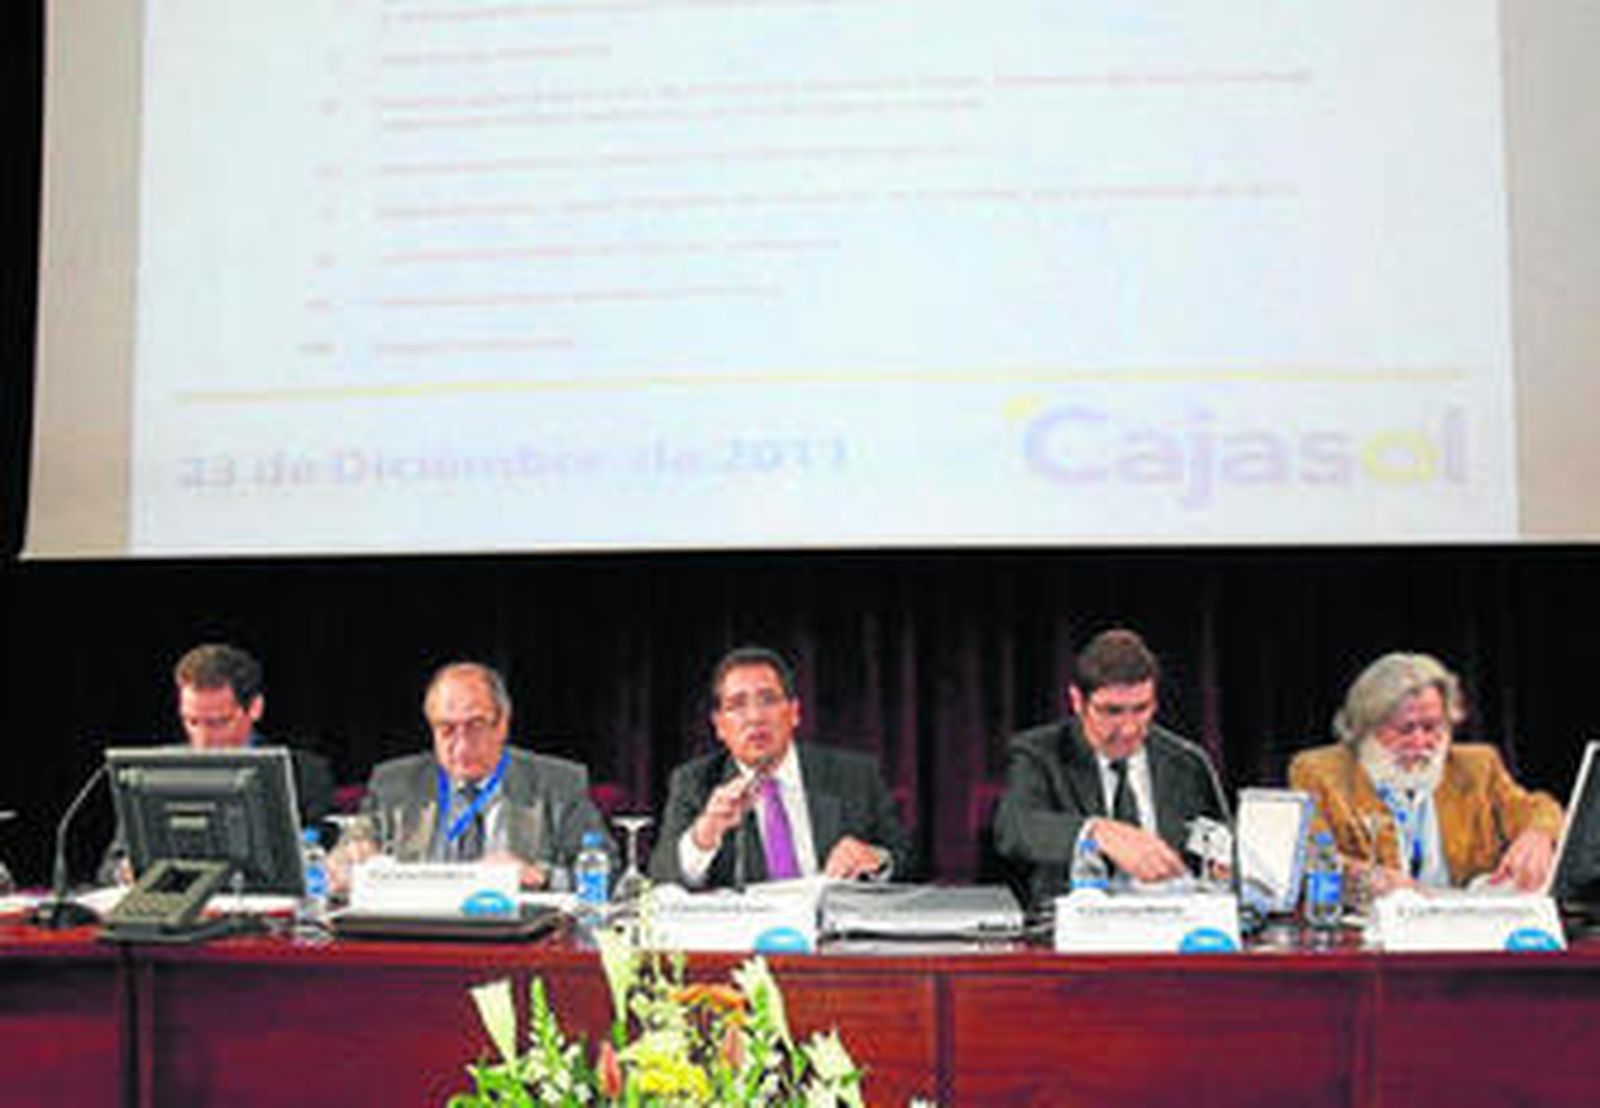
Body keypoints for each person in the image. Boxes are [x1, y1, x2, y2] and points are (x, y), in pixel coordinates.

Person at [1288, 651, 1563, 893]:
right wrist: (1368, 878)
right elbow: (1309, 854)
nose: (1420, 743)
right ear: (1366, 727)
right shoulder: (1319, 771)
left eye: (1432, 727)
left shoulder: (1478, 765)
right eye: (1405, 729)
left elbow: (1535, 807)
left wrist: (1539, 834)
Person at [993, 628, 1227, 907]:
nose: (1129, 729)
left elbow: (1221, 840)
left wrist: (1223, 863)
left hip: (1174, 928)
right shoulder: (1039, 753)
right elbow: (1014, 828)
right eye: (1112, 711)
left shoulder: (1187, 761)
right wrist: (1097, 832)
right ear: (1078, 701)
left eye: (1141, 709)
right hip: (1078, 933)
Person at [648, 645, 911, 889]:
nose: (755, 717)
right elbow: (662, 880)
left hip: (835, 932)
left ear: (794, 712)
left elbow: (908, 861)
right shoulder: (695, 783)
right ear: (719, 726)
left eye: (768, 700)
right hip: (745, 936)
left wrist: (876, 858)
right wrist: (704, 835)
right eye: (737, 705)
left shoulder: (854, 775)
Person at [357, 660, 613, 889]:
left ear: (502, 724)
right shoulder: (393, 786)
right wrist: (348, 864)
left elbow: (608, 869)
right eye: (446, 729)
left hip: (516, 936)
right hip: (417, 934)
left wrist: (540, 877)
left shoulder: (556, 784)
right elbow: (348, 853)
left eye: (475, 726)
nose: (462, 745)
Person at [99, 643, 336, 884]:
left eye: (217, 723)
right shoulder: (152, 773)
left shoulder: (305, 774)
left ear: (255, 708)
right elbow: (110, 867)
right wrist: (125, 872)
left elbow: (319, 860)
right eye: (192, 721)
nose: (203, 739)